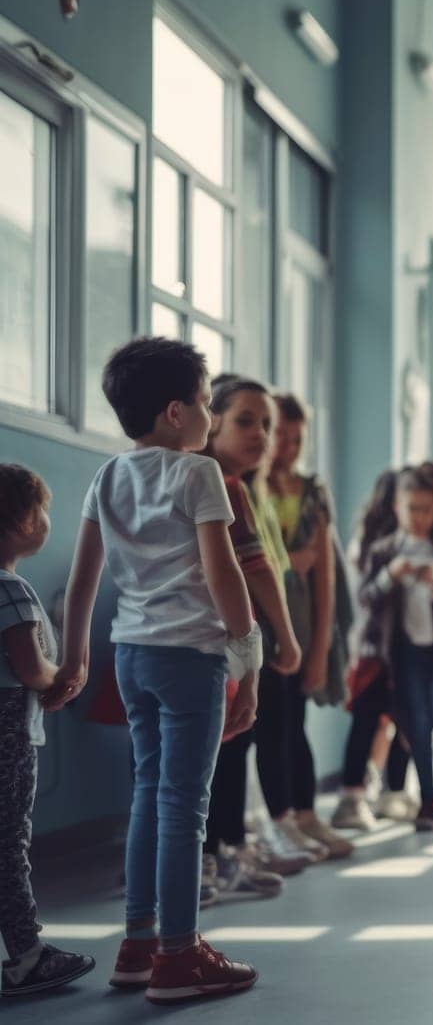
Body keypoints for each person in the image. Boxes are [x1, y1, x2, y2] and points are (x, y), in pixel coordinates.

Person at [61, 338, 260, 1003]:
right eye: (207, 402)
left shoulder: (108, 475)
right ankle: (179, 955)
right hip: (187, 658)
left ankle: (138, 941)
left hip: (131, 657)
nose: (209, 414)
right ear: (177, 412)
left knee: (148, 793)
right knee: (184, 805)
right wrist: (248, 649)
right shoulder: (197, 473)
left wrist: (76, 653)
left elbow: (85, 576)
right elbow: (221, 569)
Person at [199, 378, 327, 879]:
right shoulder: (213, 482)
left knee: (235, 743)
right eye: (246, 421)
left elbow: (263, 564)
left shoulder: (242, 487)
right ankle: (215, 854)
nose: (262, 436)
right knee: (222, 747)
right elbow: (254, 570)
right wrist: (286, 636)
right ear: (211, 421)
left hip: (236, 638)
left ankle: (225, 849)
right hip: (218, 638)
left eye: (268, 425)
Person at [0, 464, 97, 997]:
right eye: (41, 511)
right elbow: (28, 666)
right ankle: (27, 955)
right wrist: (62, 680)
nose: (46, 521)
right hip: (9, 732)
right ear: (17, 519)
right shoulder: (10, 590)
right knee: (10, 843)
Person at [359, 464, 433, 832]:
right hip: (406, 651)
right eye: (412, 508)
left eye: (428, 509)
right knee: (419, 724)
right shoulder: (384, 550)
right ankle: (427, 800)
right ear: (397, 506)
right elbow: (365, 596)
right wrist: (389, 575)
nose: (419, 517)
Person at [262, 392, 352, 857]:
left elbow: (325, 579)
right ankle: (276, 822)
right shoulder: (246, 488)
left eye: (299, 439)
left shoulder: (312, 491)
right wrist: (285, 563)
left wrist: (319, 648)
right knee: (270, 729)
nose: (289, 447)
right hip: (260, 631)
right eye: (282, 436)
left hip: (301, 626)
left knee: (294, 725)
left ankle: (305, 814)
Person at [333, 470, 414, 829]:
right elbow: (364, 597)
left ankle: (392, 793)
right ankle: (351, 798)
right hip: (373, 649)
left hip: (410, 650)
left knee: (406, 722)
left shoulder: (420, 542)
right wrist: (391, 576)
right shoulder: (373, 547)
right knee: (365, 722)